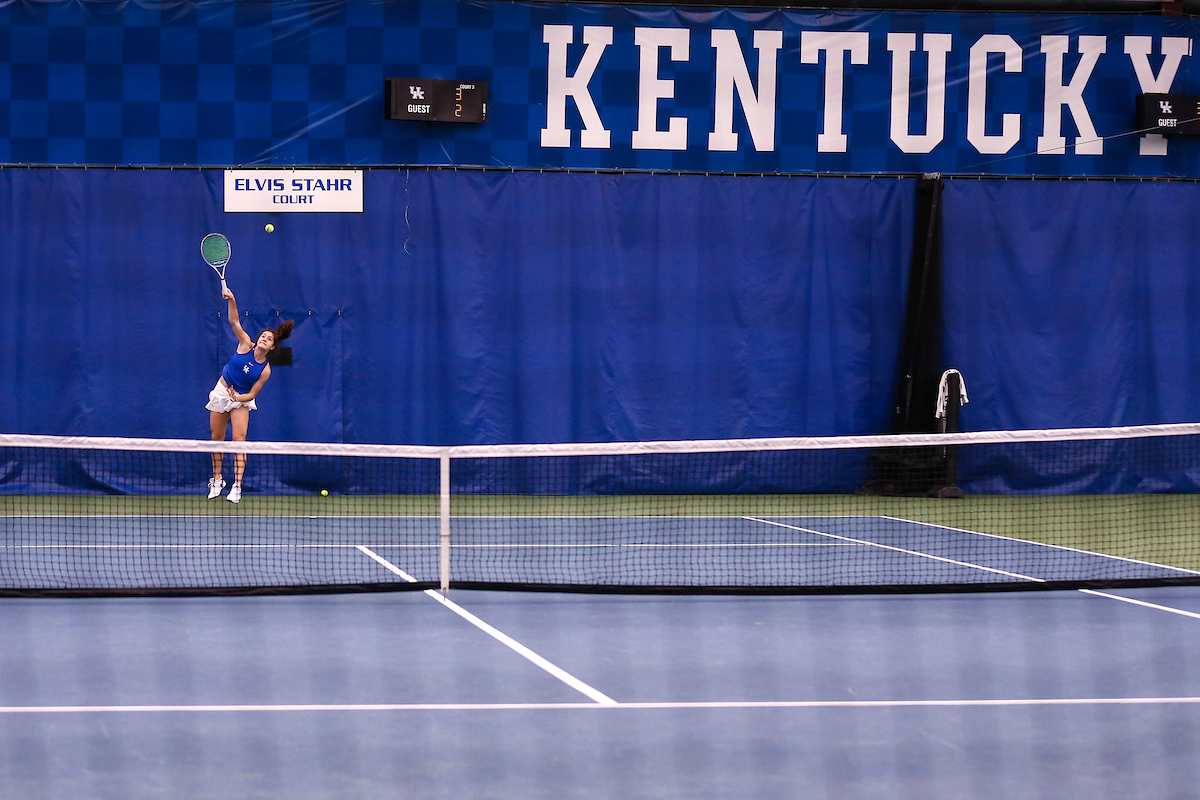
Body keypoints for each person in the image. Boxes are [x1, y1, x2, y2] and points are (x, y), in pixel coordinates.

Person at [206, 287, 293, 503]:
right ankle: (217, 480)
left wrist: (237, 398)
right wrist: (232, 300)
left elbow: (253, 393)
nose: (264, 339)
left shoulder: (265, 370)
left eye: (269, 339)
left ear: (272, 347)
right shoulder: (245, 344)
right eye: (263, 336)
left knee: (239, 441)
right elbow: (234, 321)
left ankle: (237, 486)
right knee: (216, 439)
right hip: (221, 390)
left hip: (242, 398)